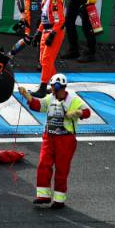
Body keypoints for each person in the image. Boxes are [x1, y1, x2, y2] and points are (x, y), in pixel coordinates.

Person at [25, 73, 91, 209]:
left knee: (62, 169)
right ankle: (43, 196)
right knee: (44, 164)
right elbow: (38, 106)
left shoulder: (73, 101)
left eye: (53, 87)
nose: (51, 90)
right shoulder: (50, 98)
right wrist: (27, 96)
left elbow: (87, 112)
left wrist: (77, 113)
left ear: (58, 87)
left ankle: (59, 200)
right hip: (49, 138)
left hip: (65, 140)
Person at [14, 0, 65, 94]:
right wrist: (38, 33)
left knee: (47, 60)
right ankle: (56, 85)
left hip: (54, 32)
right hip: (46, 31)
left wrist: (52, 34)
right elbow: (44, 19)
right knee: (44, 61)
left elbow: (60, 20)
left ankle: (42, 88)